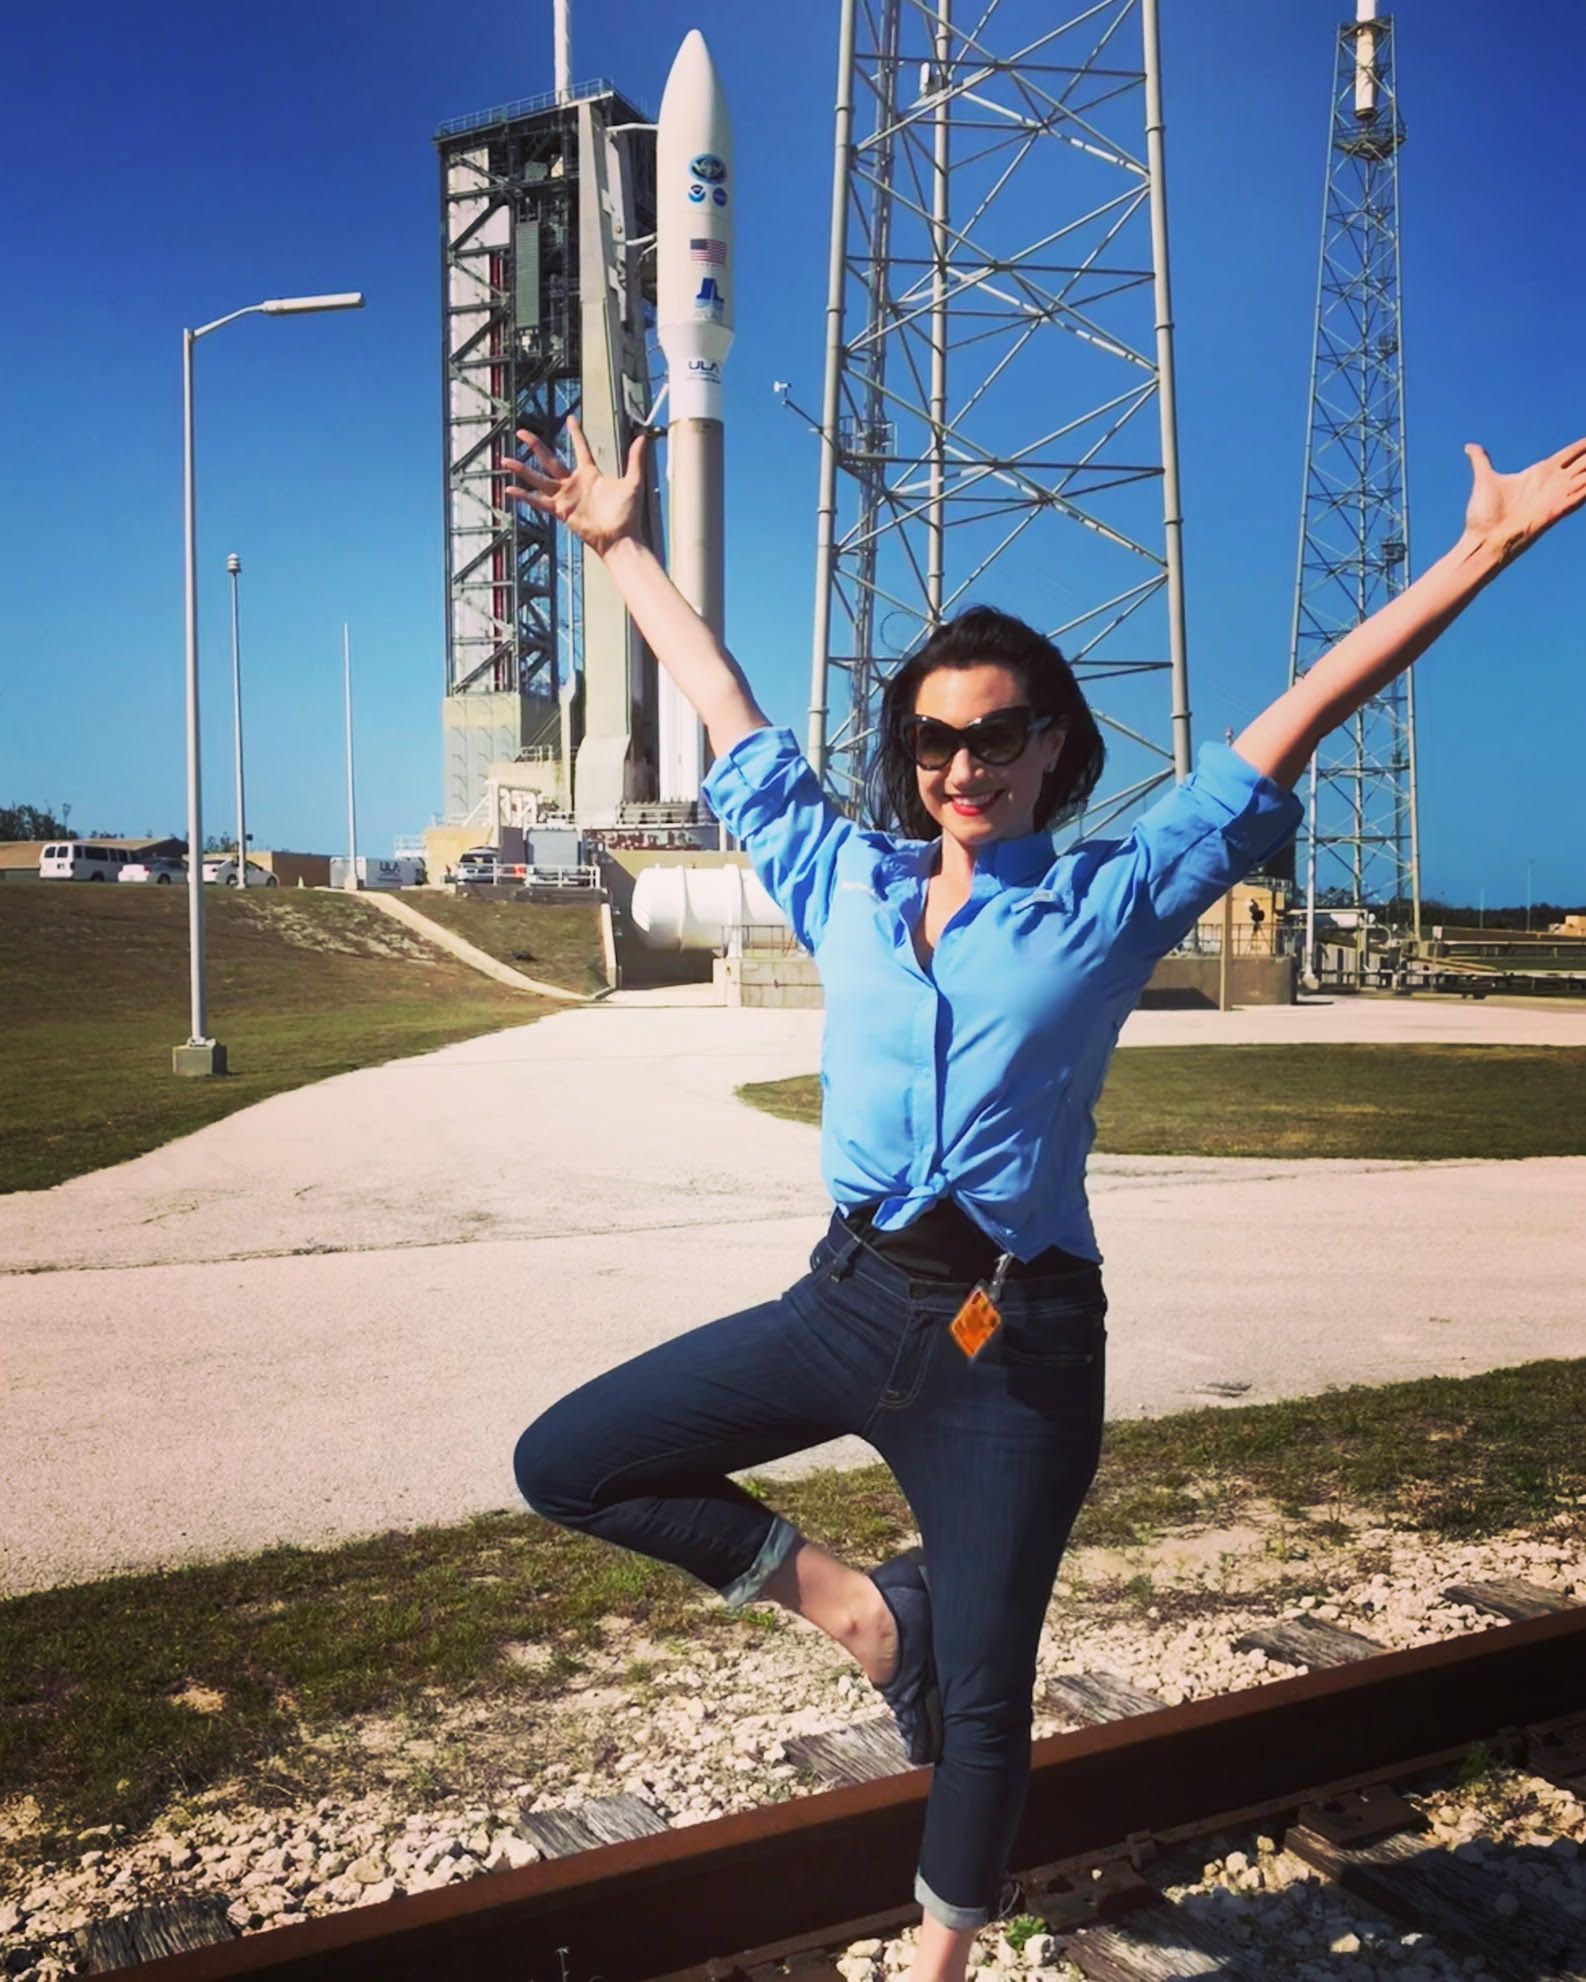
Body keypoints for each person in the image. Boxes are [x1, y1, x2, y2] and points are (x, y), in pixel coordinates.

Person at [503, 418, 1585, 1981]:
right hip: (843, 1300)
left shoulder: (1116, 892)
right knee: (572, 1459)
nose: (961, 766)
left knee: (989, 1694)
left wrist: (1476, 554)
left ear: (1052, 747)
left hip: (1011, 1343)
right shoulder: (842, 877)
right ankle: (871, 1615)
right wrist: (617, 547)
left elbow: (1290, 723)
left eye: (995, 737)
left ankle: (935, 1964)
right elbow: (728, 705)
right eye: (934, 739)